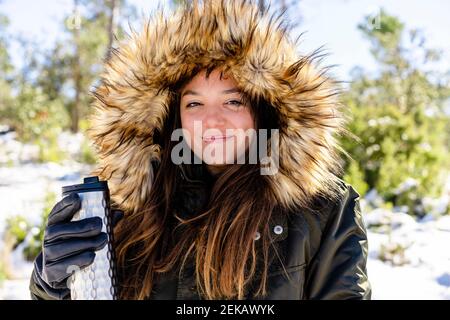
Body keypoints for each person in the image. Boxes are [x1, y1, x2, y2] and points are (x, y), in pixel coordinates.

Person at [29, 0, 371, 300]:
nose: (213, 122)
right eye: (194, 104)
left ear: (265, 110)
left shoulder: (324, 210)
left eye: (233, 101)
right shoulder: (124, 207)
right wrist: (52, 285)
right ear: (171, 115)